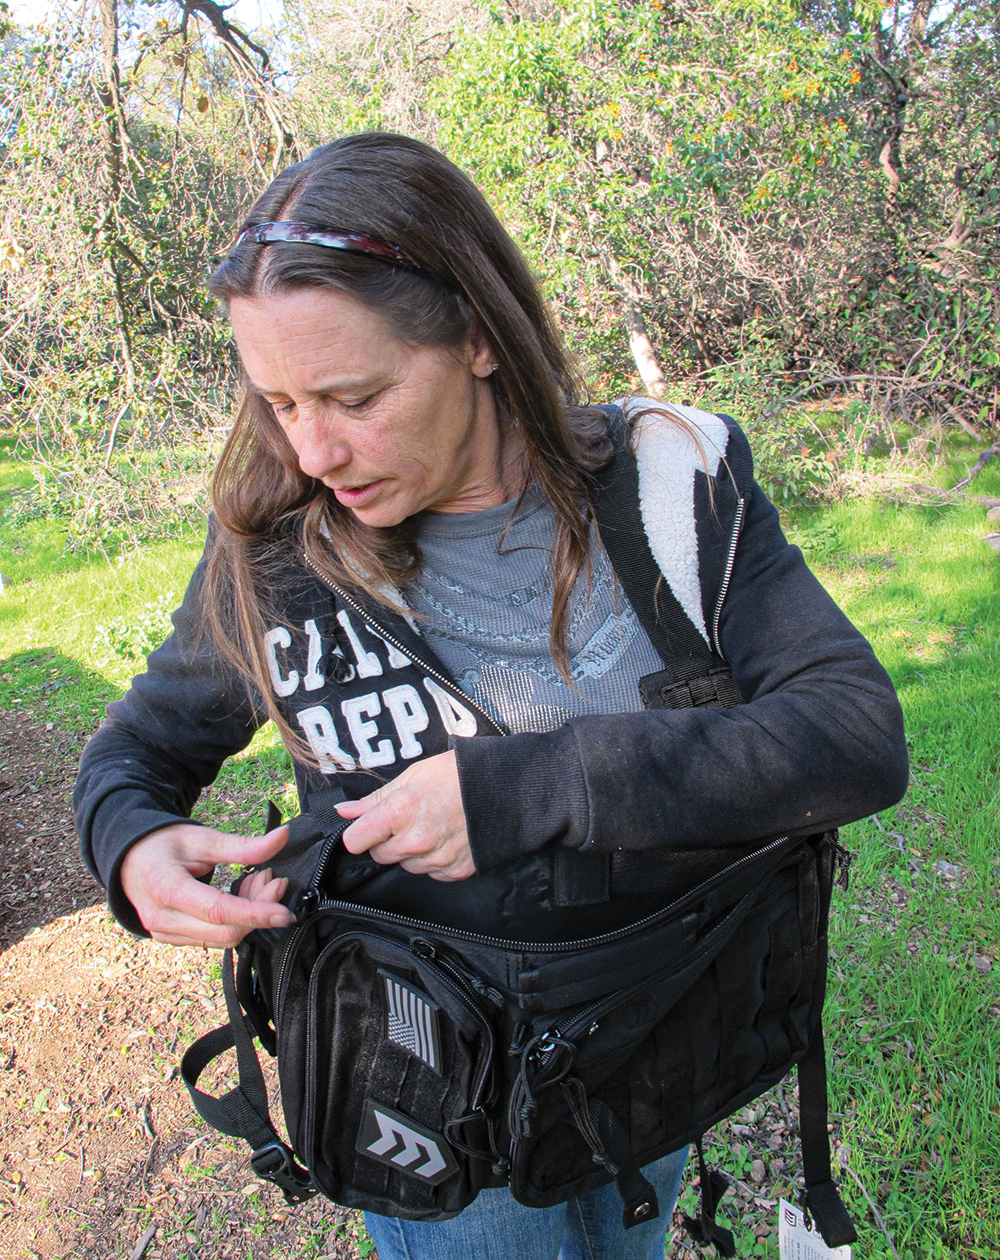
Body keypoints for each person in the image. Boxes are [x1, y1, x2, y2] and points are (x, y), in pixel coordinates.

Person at [74, 132, 909, 1260]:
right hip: (416, 1099)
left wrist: (532, 784)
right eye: (275, 401)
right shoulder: (275, 563)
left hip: (645, 1047)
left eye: (352, 395)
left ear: (476, 334)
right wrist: (128, 842)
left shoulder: (668, 489)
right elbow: (139, 750)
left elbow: (853, 735)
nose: (312, 447)